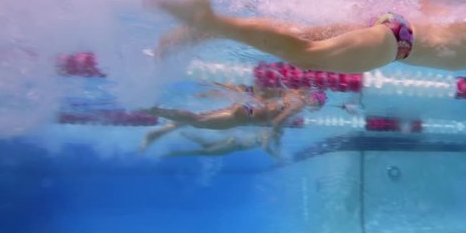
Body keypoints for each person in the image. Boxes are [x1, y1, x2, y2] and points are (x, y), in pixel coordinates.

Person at [151, 0, 466, 126]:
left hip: (392, 21)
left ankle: (202, 28)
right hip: (396, 42)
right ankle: (210, 21)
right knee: (307, 53)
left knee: (298, 36)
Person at [139, 86, 328, 153]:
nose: (312, 109)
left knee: (199, 118)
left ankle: (154, 111)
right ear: (314, 102)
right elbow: (279, 122)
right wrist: (277, 141)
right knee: (198, 120)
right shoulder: (299, 103)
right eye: (316, 107)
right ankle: (153, 109)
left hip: (245, 110)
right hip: (244, 116)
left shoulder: (291, 97)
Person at [165, 131, 281, 161]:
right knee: (204, 152)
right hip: (234, 145)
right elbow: (265, 147)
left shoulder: (264, 129)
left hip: (233, 141)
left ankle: (185, 133)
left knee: (206, 144)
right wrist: (275, 156)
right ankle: (174, 153)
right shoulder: (268, 135)